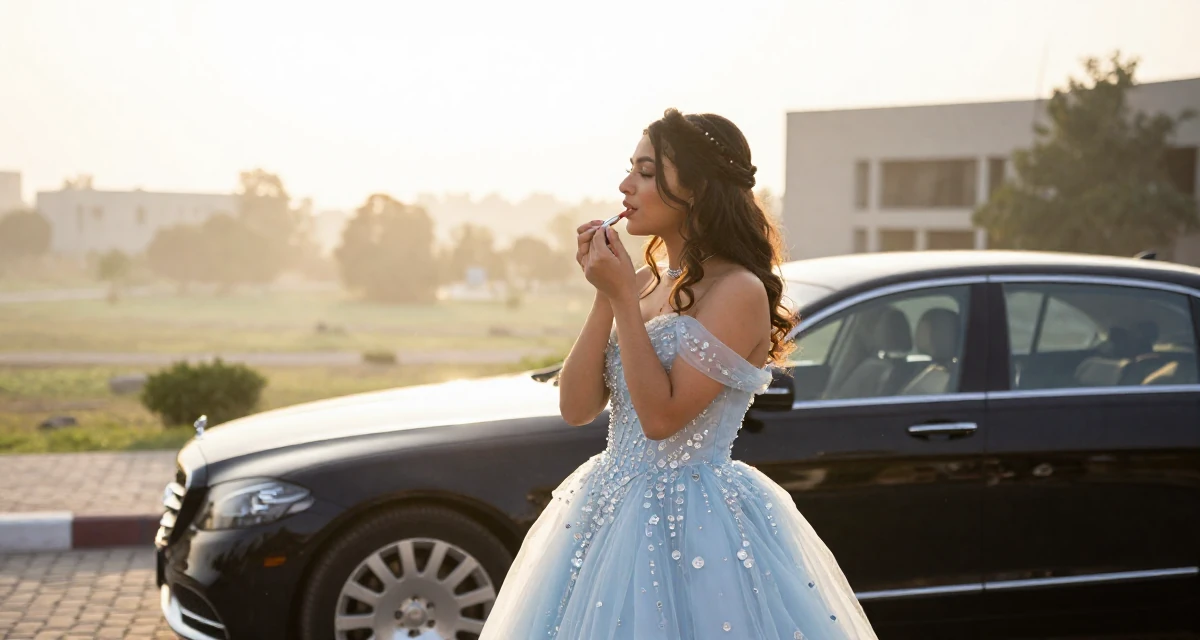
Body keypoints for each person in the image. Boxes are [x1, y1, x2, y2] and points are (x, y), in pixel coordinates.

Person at [479, 109, 877, 639]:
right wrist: (608, 293)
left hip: (698, 526)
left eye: (646, 172)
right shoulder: (641, 281)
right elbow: (576, 409)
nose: (625, 185)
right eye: (630, 169)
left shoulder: (737, 290)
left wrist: (622, 298)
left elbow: (662, 418)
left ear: (696, 188)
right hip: (606, 510)